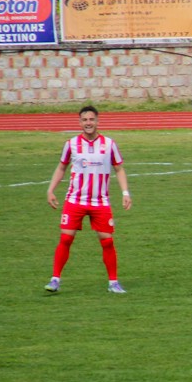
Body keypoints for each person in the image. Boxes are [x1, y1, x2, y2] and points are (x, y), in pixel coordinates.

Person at [44, 105, 131, 294]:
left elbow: (119, 169)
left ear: (97, 121)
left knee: (107, 241)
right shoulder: (71, 144)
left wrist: (125, 193)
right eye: (85, 120)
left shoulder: (109, 144)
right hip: (75, 200)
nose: (88, 123)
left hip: (100, 201)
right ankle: (55, 279)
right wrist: (51, 190)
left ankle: (113, 283)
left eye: (91, 119)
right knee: (66, 238)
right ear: (80, 122)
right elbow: (61, 167)